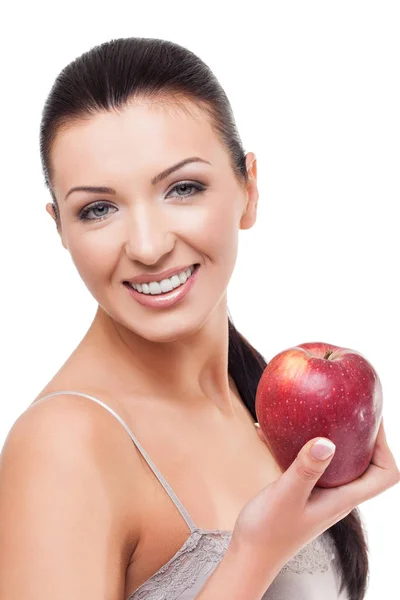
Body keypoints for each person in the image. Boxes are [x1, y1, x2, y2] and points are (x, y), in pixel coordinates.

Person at [0, 37, 398, 600]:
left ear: (248, 188)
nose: (146, 245)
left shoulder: (263, 400)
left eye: (182, 188)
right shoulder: (63, 447)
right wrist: (254, 554)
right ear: (60, 228)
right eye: (98, 208)